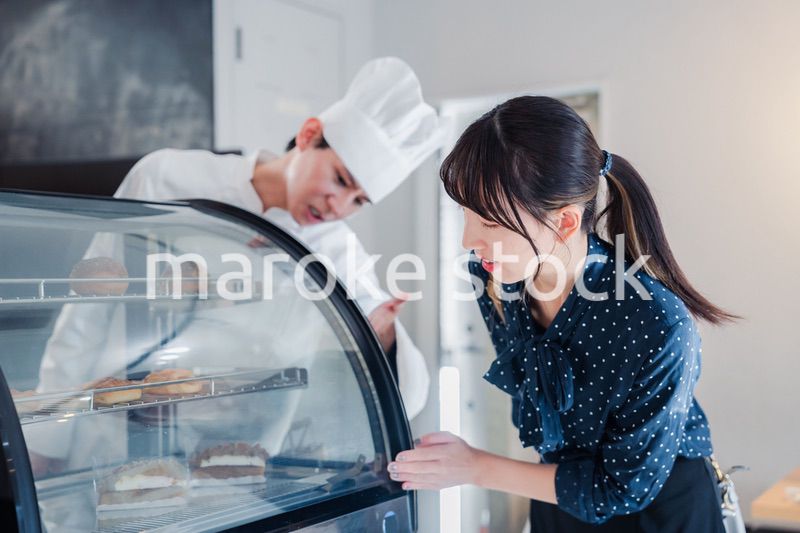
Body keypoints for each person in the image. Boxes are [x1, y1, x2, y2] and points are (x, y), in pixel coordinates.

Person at [387, 95, 740, 532]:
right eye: (465, 214)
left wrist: (472, 466)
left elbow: (622, 490)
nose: (468, 241)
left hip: (657, 514)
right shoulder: (495, 279)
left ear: (565, 223)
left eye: (490, 222)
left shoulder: (656, 323)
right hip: (559, 500)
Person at [39, 56, 443, 422]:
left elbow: (409, 396)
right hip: (115, 424)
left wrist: (383, 334)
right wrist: (50, 432)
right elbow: (88, 311)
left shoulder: (338, 251)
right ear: (308, 134)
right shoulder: (165, 177)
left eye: (359, 201)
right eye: (339, 179)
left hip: (243, 455)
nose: (339, 206)